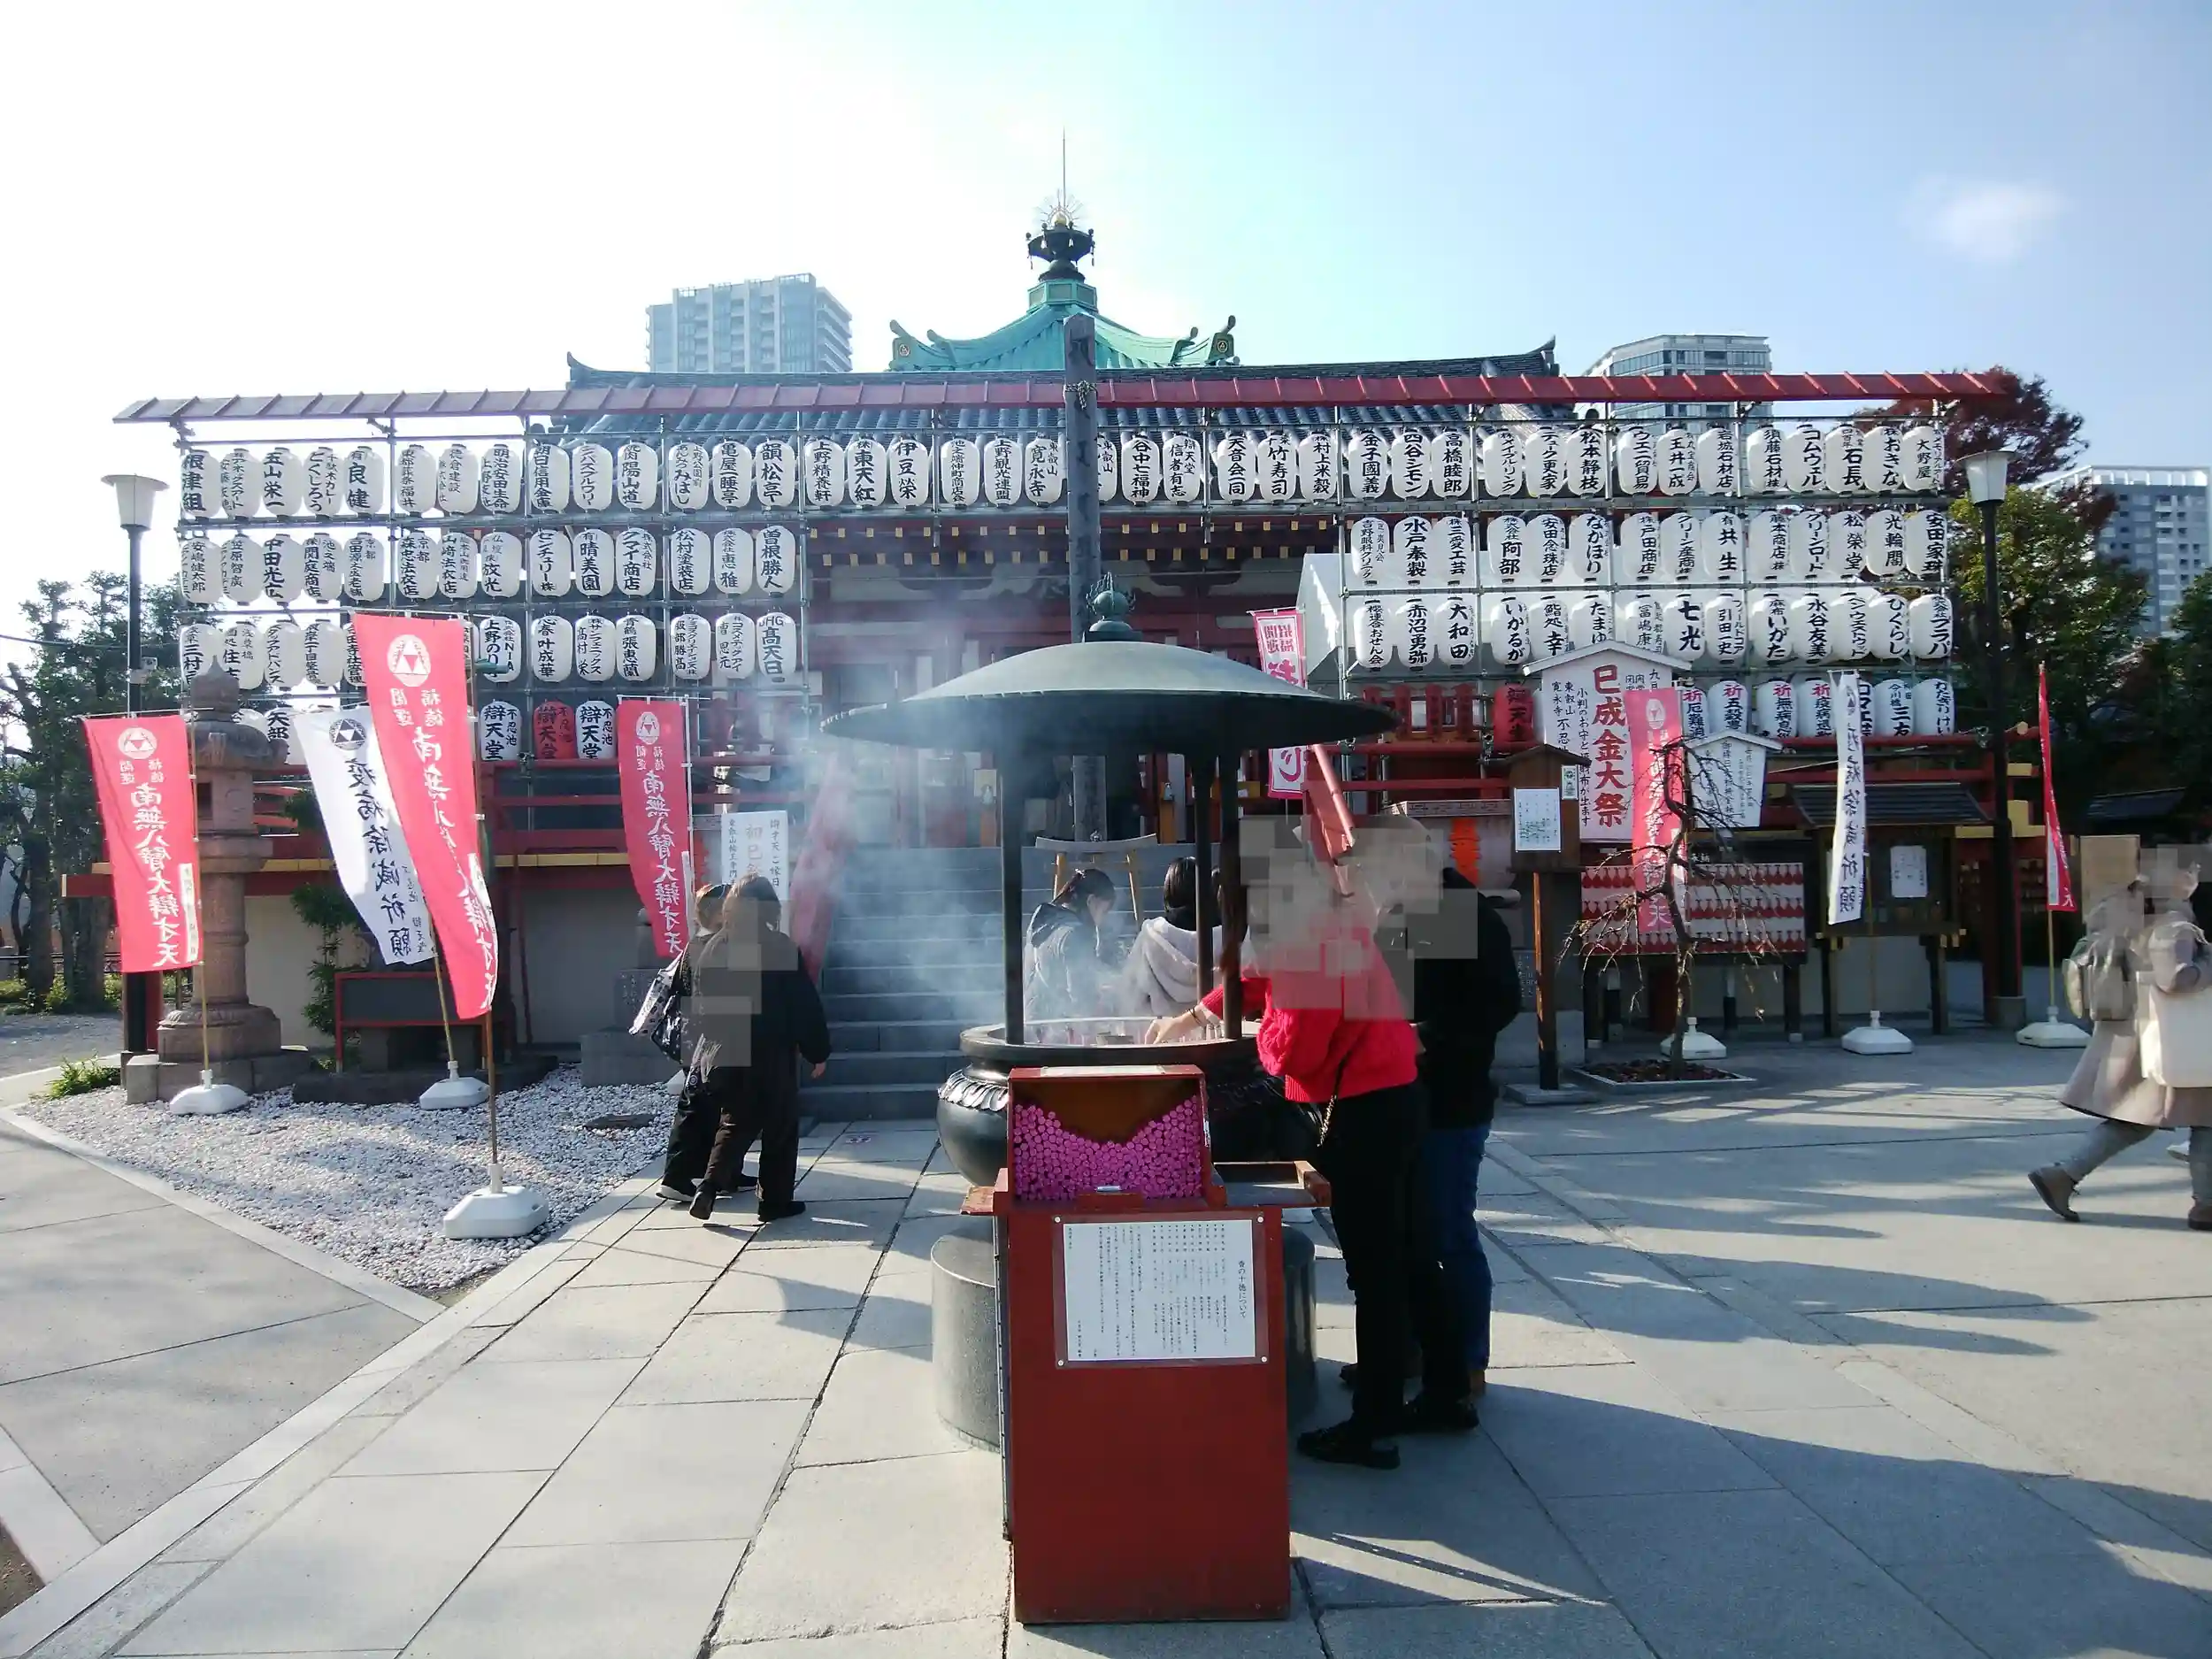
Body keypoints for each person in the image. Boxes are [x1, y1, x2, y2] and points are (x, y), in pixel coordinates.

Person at [1148, 856, 1470, 1470]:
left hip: (1365, 1115)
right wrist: (1195, 1016)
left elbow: (1295, 1051)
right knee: (1409, 1252)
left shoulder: (1306, 944)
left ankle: (1373, 1424)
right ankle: (1447, 1391)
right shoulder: (1328, 923)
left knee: (1374, 1269)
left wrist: (1260, 1037)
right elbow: (1260, 982)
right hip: (1398, 1096)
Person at [2031, 863, 2212, 1230]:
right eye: (2188, 870)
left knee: (2137, 1120)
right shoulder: (2173, 926)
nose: (2195, 877)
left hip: (2138, 1036)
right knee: (2202, 1120)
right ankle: (2206, 1205)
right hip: (2170, 1041)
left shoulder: (2125, 917)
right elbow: (2176, 978)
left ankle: (2063, 1175)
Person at [1408, 866, 1522, 1399]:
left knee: (1448, 1232)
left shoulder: (1456, 908)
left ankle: (1466, 1361)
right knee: (1408, 1235)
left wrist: (1426, 1036)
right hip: (1400, 1098)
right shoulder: (1405, 908)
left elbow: (1494, 1003)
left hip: (1449, 1100)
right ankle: (1412, 1350)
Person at [687, 878, 832, 1224]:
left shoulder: (714, 947)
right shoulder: (777, 946)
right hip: (770, 1053)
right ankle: (773, 1201)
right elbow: (803, 1005)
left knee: (734, 1123)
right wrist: (817, 1051)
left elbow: (701, 1006)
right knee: (780, 1125)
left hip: (726, 1051)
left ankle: (708, 1187)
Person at [653, 884, 741, 1203]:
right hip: (709, 1035)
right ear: (719, 913)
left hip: (700, 1032)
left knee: (717, 1106)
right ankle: (676, 1177)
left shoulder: (698, 944)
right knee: (699, 1106)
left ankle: (723, 1171)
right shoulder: (713, 946)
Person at [1122, 856, 1221, 1018]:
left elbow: (1132, 990)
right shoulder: (1227, 934)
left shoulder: (1152, 932)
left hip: (1163, 1027)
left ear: (1169, 888)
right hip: (1216, 1024)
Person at [1028, 866, 1118, 1023]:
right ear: (1091, 901)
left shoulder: (1045, 921)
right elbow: (1083, 1003)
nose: (1102, 920)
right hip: (1056, 1028)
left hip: (1032, 1017)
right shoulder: (1076, 933)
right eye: (1104, 911)